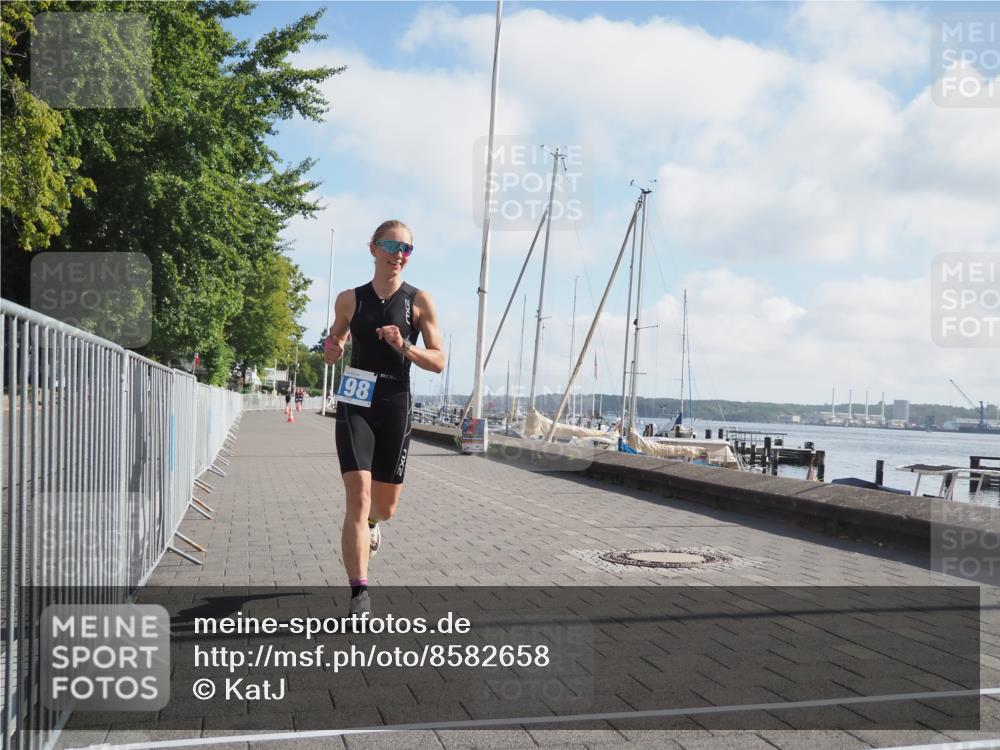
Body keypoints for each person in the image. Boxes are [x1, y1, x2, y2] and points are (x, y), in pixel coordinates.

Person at [324, 220, 445, 616]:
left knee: (383, 508)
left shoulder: (419, 300)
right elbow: (335, 339)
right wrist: (333, 348)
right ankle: (360, 594)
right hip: (356, 402)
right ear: (373, 248)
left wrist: (403, 345)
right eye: (392, 245)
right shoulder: (349, 299)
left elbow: (440, 361)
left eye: (407, 249)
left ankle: (374, 524)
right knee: (357, 498)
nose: (399, 254)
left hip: (395, 401)